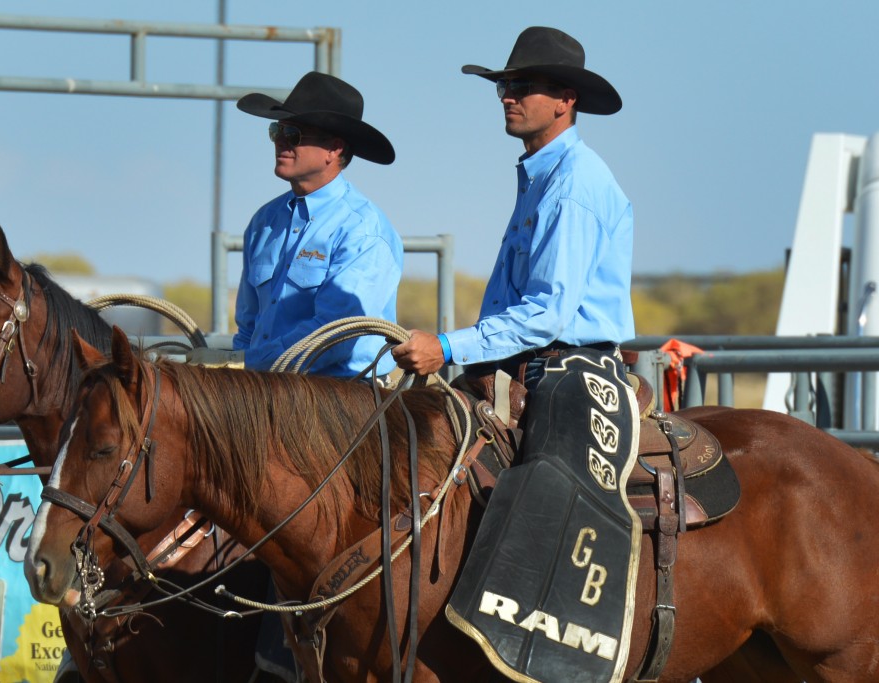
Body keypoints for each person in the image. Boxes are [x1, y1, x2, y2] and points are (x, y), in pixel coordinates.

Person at [392, 28, 640, 683]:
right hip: (528, 366)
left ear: (565, 100)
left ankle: (555, 657)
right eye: (504, 86)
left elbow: (548, 313)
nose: (507, 97)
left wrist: (447, 346)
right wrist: (471, 361)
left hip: (573, 370)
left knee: (546, 493)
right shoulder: (544, 175)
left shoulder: (576, 183)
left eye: (520, 87)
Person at [233, 71, 403, 378]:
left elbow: (334, 338)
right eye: (278, 130)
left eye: (294, 134)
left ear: (334, 150)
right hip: (267, 391)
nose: (281, 141)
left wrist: (248, 365)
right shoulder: (264, 221)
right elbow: (249, 326)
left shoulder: (362, 229)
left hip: (343, 401)